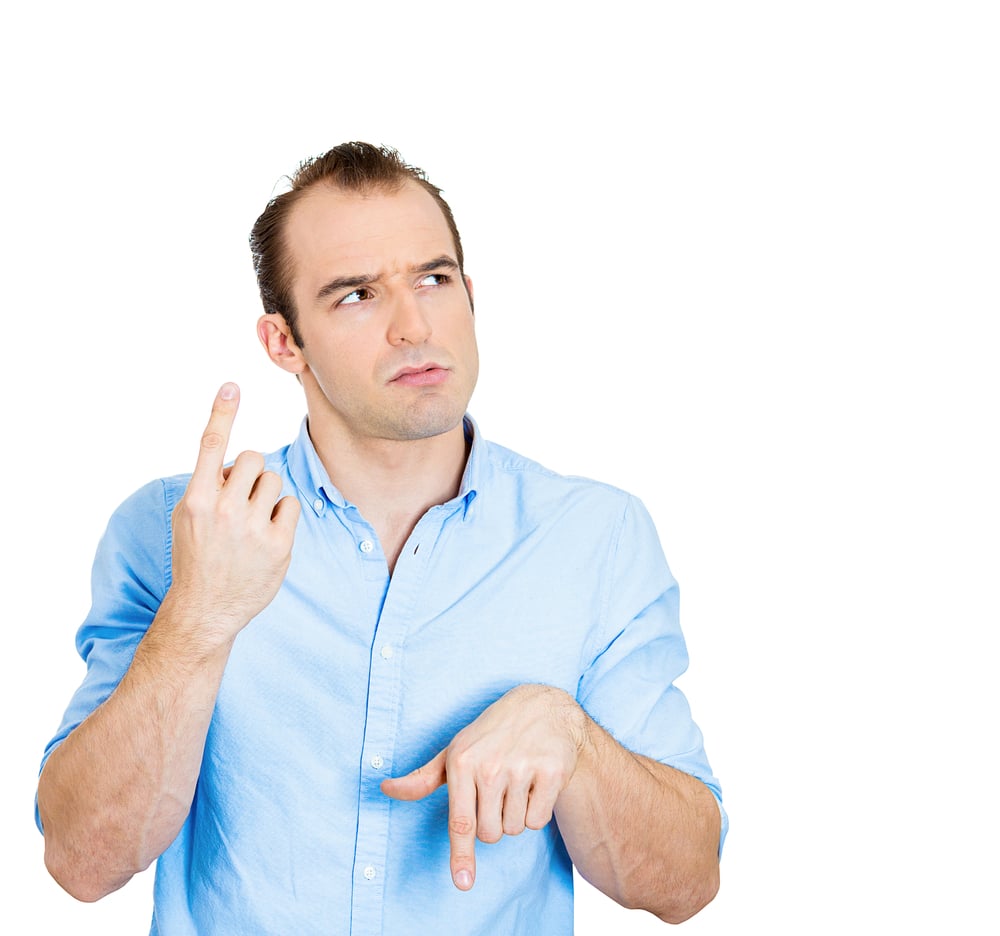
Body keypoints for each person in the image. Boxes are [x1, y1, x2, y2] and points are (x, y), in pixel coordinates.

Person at [36, 142, 727, 934]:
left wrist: (574, 739)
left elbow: (686, 883)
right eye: (356, 295)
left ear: (469, 294)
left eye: (433, 280)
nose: (413, 326)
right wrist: (198, 620)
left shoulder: (595, 537)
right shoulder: (180, 528)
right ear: (282, 343)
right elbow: (83, 863)